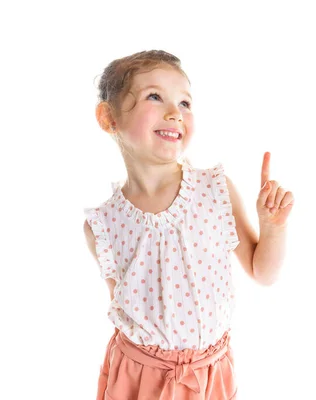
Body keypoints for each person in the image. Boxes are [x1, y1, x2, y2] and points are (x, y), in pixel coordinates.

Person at [83, 50, 294, 400]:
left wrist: (273, 229)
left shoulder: (214, 189)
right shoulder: (103, 225)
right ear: (108, 118)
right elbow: (125, 311)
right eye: (155, 96)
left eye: (185, 102)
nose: (174, 113)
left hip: (209, 375)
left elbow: (263, 272)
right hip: (139, 377)